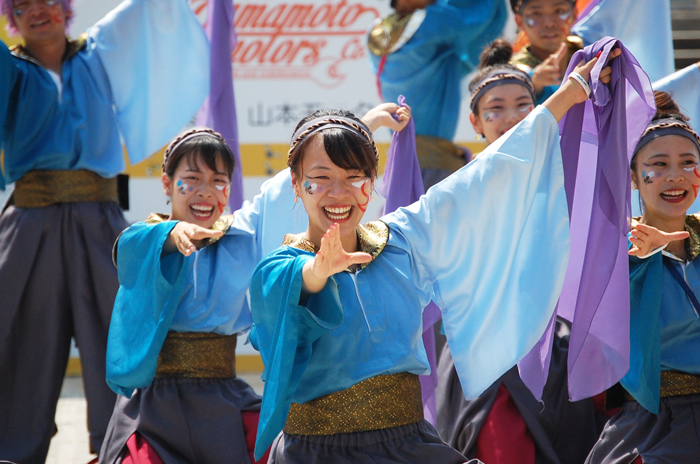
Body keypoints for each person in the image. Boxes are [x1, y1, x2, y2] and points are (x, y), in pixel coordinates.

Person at [248, 50, 618, 463]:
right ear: (296, 186)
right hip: (317, 454)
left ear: (371, 183)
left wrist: (569, 93)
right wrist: (318, 269)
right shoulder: (277, 269)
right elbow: (293, 286)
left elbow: (487, 175)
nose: (339, 193)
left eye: (354, 178)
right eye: (321, 180)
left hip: (407, 446)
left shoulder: (402, 240)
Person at [0, 0, 208, 461]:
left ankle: (120, 451)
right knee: (23, 346)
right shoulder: (9, 69)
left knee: (117, 339)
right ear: (11, 17)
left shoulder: (98, 54)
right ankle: (13, 452)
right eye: (22, 5)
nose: (38, 11)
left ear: (65, 8)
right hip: (30, 223)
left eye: (48, 1)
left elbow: (150, 11)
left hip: (100, 223)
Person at [436, 39, 607, 464]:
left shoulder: (560, 179)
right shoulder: (456, 190)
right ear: (475, 122)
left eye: (522, 105)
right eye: (495, 108)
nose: (511, 117)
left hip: (553, 355)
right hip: (485, 358)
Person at [100, 129, 269, 464]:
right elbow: (132, 247)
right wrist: (172, 232)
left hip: (223, 400)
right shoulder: (144, 238)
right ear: (166, 184)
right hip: (152, 409)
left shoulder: (239, 238)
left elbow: (287, 186)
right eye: (191, 179)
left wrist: (361, 125)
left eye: (218, 180)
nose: (206, 192)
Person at [585, 91, 700, 464]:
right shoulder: (614, 248)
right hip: (656, 427)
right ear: (633, 177)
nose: (675, 176)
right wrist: (640, 254)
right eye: (659, 164)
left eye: (688, 162)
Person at [367, 0, 507, 188]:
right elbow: (483, 17)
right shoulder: (433, 22)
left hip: (400, 165)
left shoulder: (377, 31)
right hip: (432, 168)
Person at [510, 0, 583, 104]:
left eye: (559, 11)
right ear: (519, 22)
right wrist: (534, 86)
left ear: (575, 14)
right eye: (536, 13)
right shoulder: (513, 75)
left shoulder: (591, 55)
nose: (549, 23)